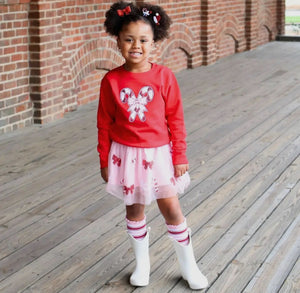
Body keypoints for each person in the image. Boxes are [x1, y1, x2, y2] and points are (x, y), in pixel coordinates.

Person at [97, 1, 208, 290]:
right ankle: (142, 265)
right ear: (118, 41)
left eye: (143, 40)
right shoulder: (111, 80)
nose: (136, 45)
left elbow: (176, 120)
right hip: (125, 155)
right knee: (134, 209)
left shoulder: (164, 77)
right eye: (129, 39)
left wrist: (179, 155)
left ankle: (188, 266)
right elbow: (104, 124)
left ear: (154, 41)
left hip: (159, 154)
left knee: (171, 207)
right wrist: (104, 160)